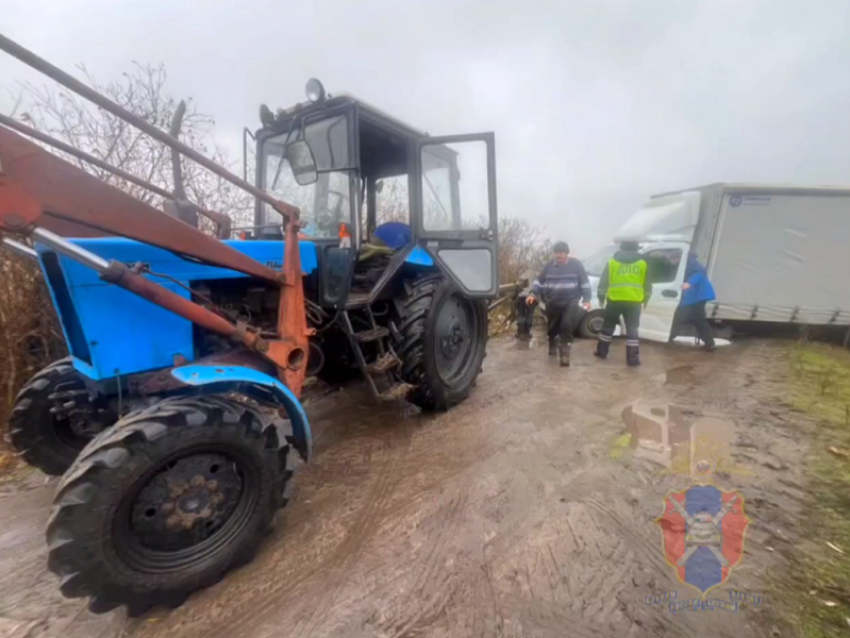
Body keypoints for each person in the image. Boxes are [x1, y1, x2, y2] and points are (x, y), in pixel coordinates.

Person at [526, 242, 592, 366]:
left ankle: (565, 354)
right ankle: (552, 342)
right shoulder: (549, 266)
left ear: (567, 253)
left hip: (571, 301)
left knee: (566, 325)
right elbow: (539, 282)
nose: (558, 255)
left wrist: (587, 300)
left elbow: (584, 283)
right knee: (552, 327)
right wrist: (533, 294)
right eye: (556, 253)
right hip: (552, 301)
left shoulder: (576, 265)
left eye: (561, 253)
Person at [594, 240, 652, 366]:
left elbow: (604, 281)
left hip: (614, 299)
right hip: (634, 301)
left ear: (621, 249)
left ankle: (601, 352)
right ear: (636, 249)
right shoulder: (643, 263)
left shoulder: (612, 262)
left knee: (608, 327)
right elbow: (647, 282)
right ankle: (632, 359)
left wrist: (601, 296)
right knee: (632, 329)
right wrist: (646, 298)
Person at [669, 252, 717, 350]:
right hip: (696, 297)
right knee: (697, 319)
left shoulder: (691, 263)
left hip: (696, 297)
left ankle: (669, 338)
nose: (672, 261)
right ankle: (709, 343)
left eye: (673, 259)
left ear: (679, 257)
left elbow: (699, 273)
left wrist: (690, 283)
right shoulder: (688, 262)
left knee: (679, 317)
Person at [515, 270, 536, 340]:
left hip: (521, 296)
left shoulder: (522, 276)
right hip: (531, 297)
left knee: (521, 314)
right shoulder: (535, 277)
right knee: (530, 313)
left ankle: (520, 331)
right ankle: (527, 331)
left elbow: (517, 286)